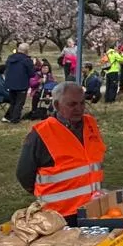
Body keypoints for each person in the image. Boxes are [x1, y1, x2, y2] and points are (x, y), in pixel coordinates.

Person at [17, 82, 105, 219]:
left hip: (93, 208)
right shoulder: (41, 134)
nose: (79, 108)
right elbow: (24, 175)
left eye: (82, 103)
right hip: (59, 215)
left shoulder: (90, 124)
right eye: (72, 104)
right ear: (56, 105)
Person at [2, 43, 35, 124]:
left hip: (10, 83)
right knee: (19, 102)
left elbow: (6, 69)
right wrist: (33, 65)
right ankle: (15, 119)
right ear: (26, 51)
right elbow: (32, 74)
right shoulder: (27, 60)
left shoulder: (10, 58)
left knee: (13, 101)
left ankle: (9, 117)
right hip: (21, 83)